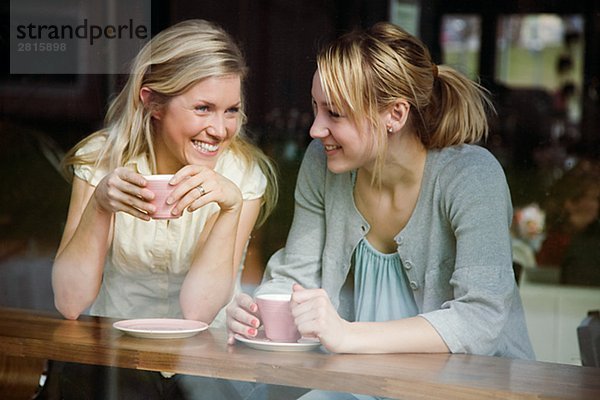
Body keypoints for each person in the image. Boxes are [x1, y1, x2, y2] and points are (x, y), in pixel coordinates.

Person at [227, 21, 534, 398]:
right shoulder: (322, 163)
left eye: (334, 114)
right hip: (361, 380)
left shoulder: (471, 177)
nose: (315, 129)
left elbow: (480, 319)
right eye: (315, 108)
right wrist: (259, 311)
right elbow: (297, 277)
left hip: (466, 387)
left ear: (396, 114)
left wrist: (346, 335)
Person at [48, 19, 277, 399]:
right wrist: (100, 206)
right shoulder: (100, 161)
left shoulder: (241, 173)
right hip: (114, 367)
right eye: (203, 108)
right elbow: (70, 303)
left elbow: (199, 312)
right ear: (152, 101)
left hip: (205, 370)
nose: (220, 130)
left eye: (231, 110)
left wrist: (231, 207)